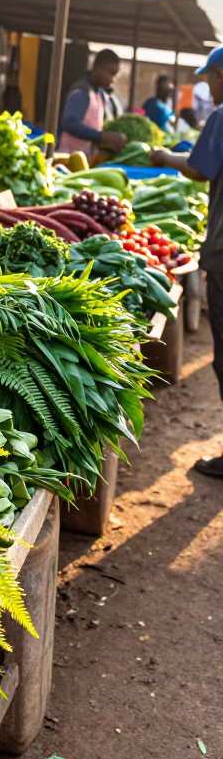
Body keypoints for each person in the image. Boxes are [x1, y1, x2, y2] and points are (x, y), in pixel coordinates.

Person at [151, 45, 223, 476]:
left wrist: (163, 157)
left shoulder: (220, 116)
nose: (208, 86)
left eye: (210, 78)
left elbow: (199, 169)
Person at [57, 48, 126, 158]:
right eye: (111, 73)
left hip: (85, 158)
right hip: (68, 159)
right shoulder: (81, 92)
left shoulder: (98, 93)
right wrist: (102, 136)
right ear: (97, 68)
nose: (113, 79)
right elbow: (69, 123)